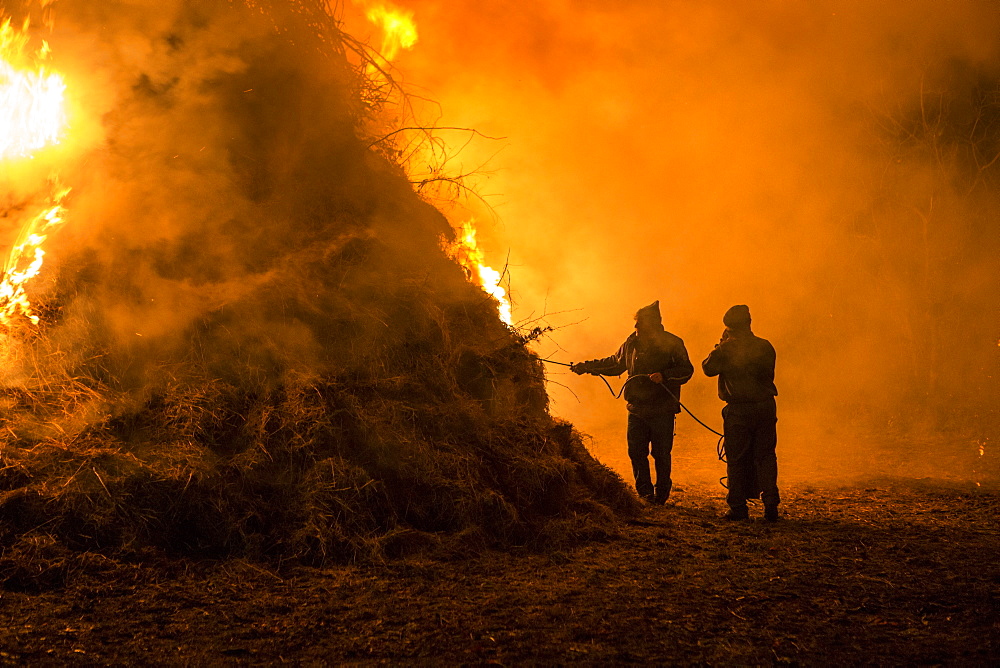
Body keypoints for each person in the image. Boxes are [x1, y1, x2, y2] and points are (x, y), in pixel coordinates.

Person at [571, 301, 694, 504]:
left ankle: (661, 493)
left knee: (661, 453)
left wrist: (664, 375)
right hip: (636, 409)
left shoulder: (673, 343)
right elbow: (614, 363)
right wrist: (586, 367)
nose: (635, 327)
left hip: (662, 409)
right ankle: (645, 494)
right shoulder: (631, 344)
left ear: (653, 325)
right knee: (636, 452)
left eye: (639, 323)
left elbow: (686, 370)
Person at [701, 305, 780, 521]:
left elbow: (707, 368)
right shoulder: (765, 346)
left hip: (739, 409)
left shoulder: (726, 349)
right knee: (766, 456)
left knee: (735, 458)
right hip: (765, 406)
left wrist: (721, 344)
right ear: (749, 323)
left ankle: (738, 508)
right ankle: (771, 504)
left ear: (728, 327)